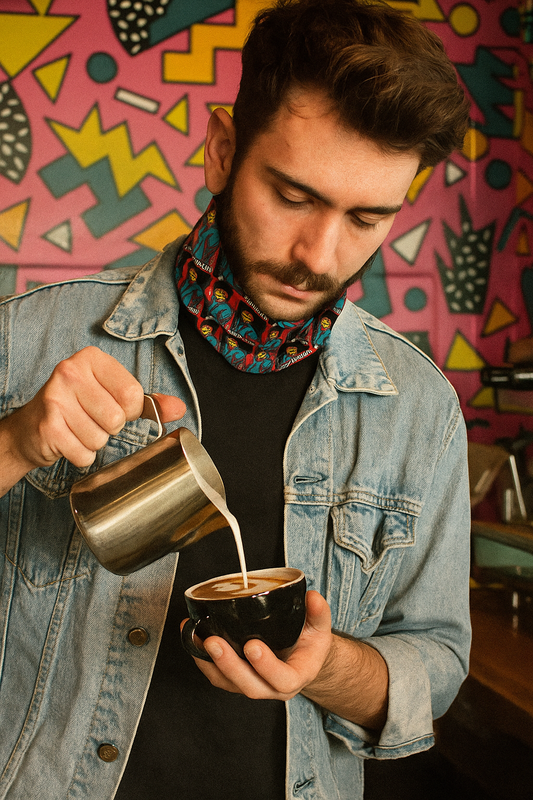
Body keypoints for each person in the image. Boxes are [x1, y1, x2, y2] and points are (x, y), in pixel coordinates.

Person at [0, 0, 472, 798]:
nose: (318, 257)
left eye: (366, 218)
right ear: (222, 150)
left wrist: (328, 667)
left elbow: (435, 659)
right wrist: (15, 442)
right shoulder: (29, 338)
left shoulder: (418, 408)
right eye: (292, 196)